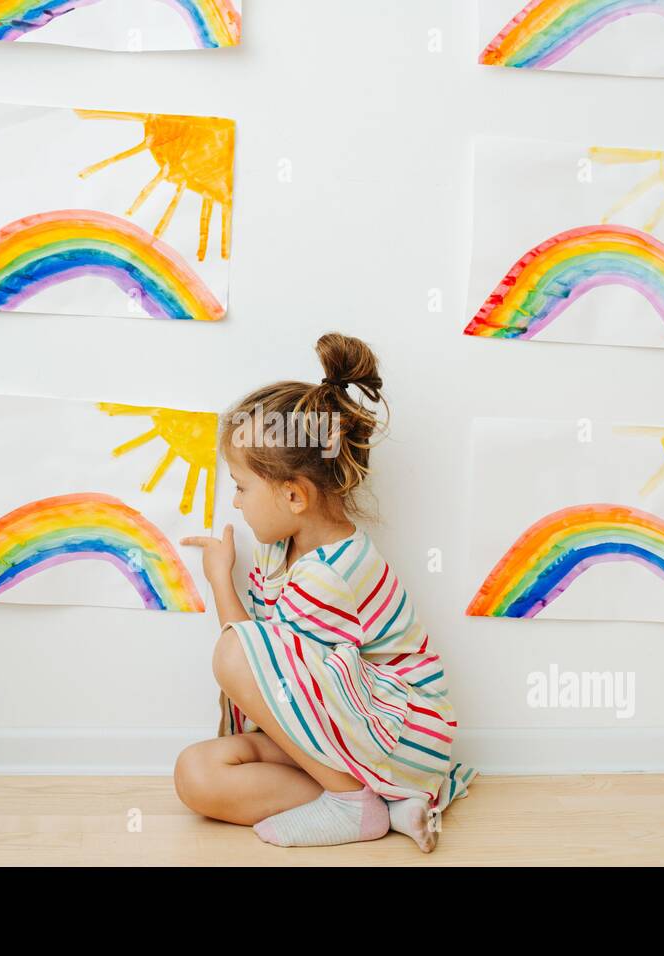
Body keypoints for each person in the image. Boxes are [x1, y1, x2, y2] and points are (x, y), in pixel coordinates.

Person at [176, 332, 477, 851]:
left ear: (293, 495)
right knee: (197, 773)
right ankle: (383, 803)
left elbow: (247, 653)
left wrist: (219, 580)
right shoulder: (282, 551)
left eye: (242, 487)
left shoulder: (331, 574)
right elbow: (274, 675)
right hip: (347, 735)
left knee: (229, 650)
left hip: (404, 734)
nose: (235, 503)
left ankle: (351, 804)